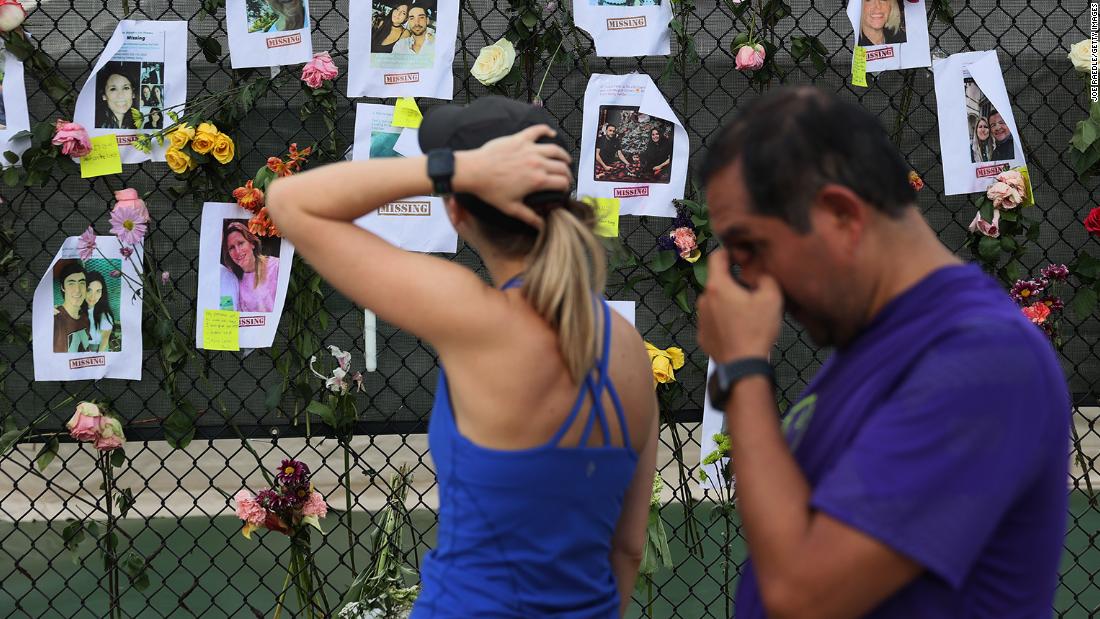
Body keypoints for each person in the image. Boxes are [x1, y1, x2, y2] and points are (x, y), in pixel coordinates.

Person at [267, 96, 658, 618]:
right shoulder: (626, 345)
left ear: (456, 209)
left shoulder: (478, 318)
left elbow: (290, 201)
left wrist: (453, 168)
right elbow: (628, 546)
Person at [695, 86, 1068, 618]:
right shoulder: (879, 343)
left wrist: (741, 367)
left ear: (842, 216)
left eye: (751, 248)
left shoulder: (984, 359)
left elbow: (802, 597)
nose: (746, 280)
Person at [222, 222, 280, 313]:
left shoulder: (276, 267)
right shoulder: (229, 278)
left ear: (252, 243)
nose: (237, 251)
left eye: (241, 243)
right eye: (231, 248)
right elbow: (226, 311)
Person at [53, 261, 90, 353]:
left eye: (82, 283)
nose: (77, 290)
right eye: (71, 283)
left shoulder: (86, 318)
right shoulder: (54, 318)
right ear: (63, 287)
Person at [97, 63, 142, 130]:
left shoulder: (139, 124)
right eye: (113, 89)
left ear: (133, 94)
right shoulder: (97, 125)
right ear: (104, 96)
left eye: (126, 88)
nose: (120, 95)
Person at [83, 271, 116, 353]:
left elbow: (104, 343)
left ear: (102, 293)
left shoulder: (104, 316)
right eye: (89, 290)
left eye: (98, 291)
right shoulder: (77, 309)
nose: (93, 296)